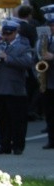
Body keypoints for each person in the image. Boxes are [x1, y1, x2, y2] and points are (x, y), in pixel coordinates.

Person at [0, 20, 33, 155]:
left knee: (17, 119)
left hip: (15, 88)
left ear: (15, 32)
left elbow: (28, 62)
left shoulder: (23, 46)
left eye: (9, 34)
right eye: (4, 34)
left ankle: (18, 145)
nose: (6, 37)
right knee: (2, 119)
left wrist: (8, 58)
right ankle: (4, 145)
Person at [38, 16, 54, 149]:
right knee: (49, 113)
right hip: (47, 80)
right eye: (50, 25)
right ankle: (51, 140)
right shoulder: (44, 40)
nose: (51, 28)